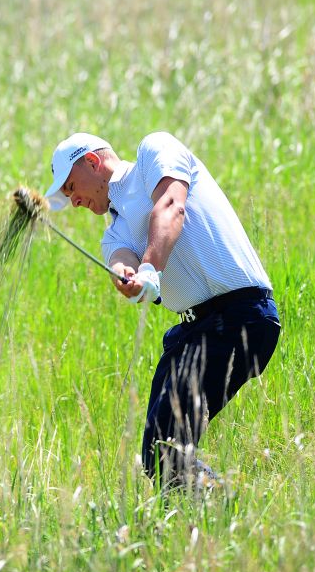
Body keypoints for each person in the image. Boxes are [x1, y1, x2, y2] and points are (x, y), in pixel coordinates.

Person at [43, 131, 281, 490]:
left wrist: (150, 268)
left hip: (243, 315)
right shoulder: (114, 233)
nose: (74, 201)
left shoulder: (154, 152)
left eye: (72, 187)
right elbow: (121, 259)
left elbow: (171, 206)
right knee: (159, 454)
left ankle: (222, 510)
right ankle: (216, 514)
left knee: (169, 445)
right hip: (194, 332)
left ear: (92, 162)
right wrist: (127, 275)